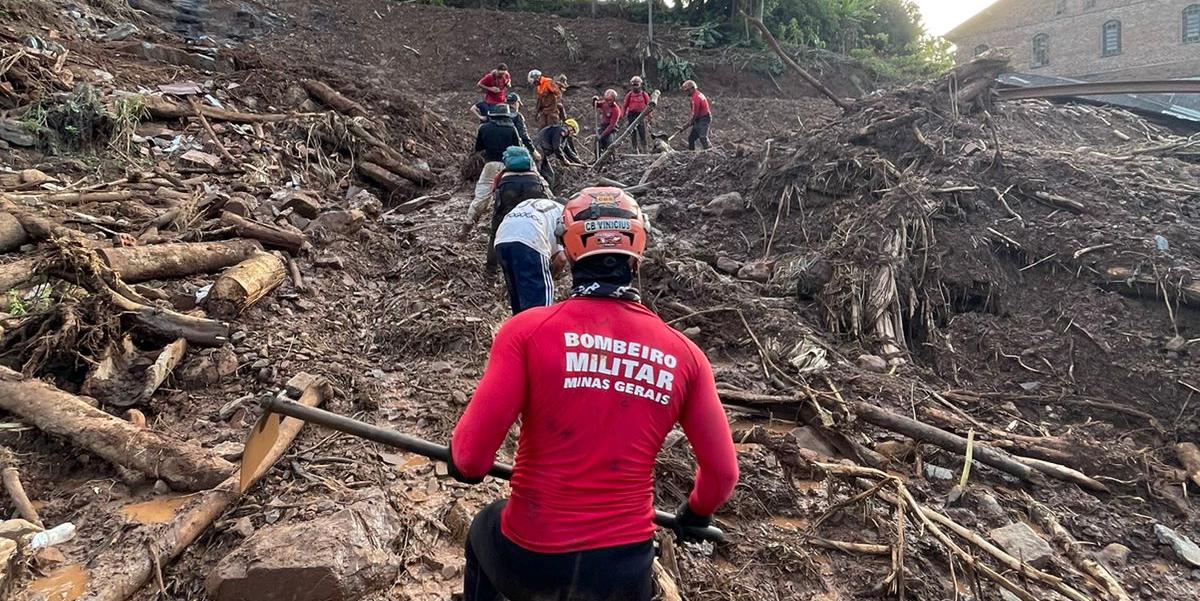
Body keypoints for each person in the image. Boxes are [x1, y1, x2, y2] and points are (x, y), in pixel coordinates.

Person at [449, 186, 739, 601]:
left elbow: (472, 458)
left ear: (566, 253)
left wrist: (463, 466)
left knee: (483, 528)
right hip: (621, 575)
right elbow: (723, 474)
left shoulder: (527, 332)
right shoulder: (686, 355)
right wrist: (695, 513)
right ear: (638, 254)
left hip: (532, 561)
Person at [490, 197, 566, 314]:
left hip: (502, 238)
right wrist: (550, 276)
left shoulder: (536, 204)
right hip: (530, 237)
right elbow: (561, 258)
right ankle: (538, 330)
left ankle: (519, 329)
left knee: (517, 297)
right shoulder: (564, 213)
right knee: (540, 306)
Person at [486, 146, 551, 275]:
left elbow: (494, 193)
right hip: (532, 188)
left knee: (495, 233)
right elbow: (547, 193)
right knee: (536, 227)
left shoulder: (502, 175)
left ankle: (491, 268)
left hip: (508, 189)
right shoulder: (535, 174)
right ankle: (542, 262)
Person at [463, 104, 521, 238]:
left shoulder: (484, 128)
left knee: (482, 195)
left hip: (491, 165)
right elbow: (517, 148)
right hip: (509, 167)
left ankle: (467, 224)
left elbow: (478, 147)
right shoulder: (511, 128)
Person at [535, 118, 585, 187]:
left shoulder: (564, 138)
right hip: (537, 151)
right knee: (537, 173)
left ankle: (547, 193)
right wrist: (564, 160)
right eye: (573, 132)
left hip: (543, 154)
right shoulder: (559, 131)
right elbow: (557, 148)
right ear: (570, 127)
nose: (572, 134)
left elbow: (568, 151)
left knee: (550, 175)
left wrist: (580, 162)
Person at [680, 80, 711, 151]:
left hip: (704, 118)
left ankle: (710, 152)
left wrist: (685, 126)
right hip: (699, 118)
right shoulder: (697, 94)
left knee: (703, 137)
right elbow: (695, 116)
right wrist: (686, 126)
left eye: (687, 91)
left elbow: (695, 115)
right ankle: (691, 154)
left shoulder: (695, 98)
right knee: (692, 138)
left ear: (692, 88)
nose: (686, 93)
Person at [623, 76, 652, 154]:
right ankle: (635, 149)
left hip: (641, 115)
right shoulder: (629, 95)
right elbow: (625, 106)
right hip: (631, 115)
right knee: (633, 133)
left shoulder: (644, 94)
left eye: (637, 85)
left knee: (642, 132)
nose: (635, 87)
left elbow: (649, 105)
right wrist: (623, 115)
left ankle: (645, 149)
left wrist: (649, 115)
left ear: (640, 85)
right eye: (634, 85)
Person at [504, 92, 537, 156]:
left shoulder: (497, 113)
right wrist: (533, 150)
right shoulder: (517, 116)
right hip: (512, 149)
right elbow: (523, 135)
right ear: (516, 103)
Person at [593, 89, 622, 155]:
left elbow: (612, 125)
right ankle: (597, 159)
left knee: (610, 143)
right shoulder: (604, 103)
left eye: (610, 100)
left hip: (611, 129)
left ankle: (610, 159)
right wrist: (594, 100)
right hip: (603, 127)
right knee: (597, 143)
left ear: (614, 99)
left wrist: (602, 135)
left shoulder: (616, 110)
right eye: (606, 100)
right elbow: (596, 105)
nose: (608, 102)